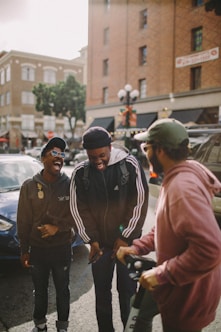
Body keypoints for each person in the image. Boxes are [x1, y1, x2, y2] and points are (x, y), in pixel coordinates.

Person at [117, 118, 221, 332]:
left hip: (188, 290)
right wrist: (138, 247)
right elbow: (166, 227)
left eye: (147, 147)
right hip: (175, 282)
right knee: (140, 311)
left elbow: (210, 249)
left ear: (160, 151)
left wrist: (162, 274)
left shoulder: (182, 189)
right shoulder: (175, 179)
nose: (145, 153)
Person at [69, 126, 149, 332]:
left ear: (110, 148)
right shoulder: (80, 172)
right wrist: (91, 239)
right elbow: (78, 209)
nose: (97, 161)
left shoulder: (130, 165)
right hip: (100, 247)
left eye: (102, 155)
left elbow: (139, 203)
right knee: (102, 296)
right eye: (92, 156)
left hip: (127, 246)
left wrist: (125, 237)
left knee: (128, 295)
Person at [17, 137, 75, 332]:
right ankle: (40, 326)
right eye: (54, 153)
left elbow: (78, 217)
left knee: (63, 291)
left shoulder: (70, 185)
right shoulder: (29, 186)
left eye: (62, 154)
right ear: (43, 158)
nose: (59, 158)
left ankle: (63, 327)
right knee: (40, 291)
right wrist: (24, 250)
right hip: (38, 251)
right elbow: (23, 221)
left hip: (62, 249)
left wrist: (58, 228)